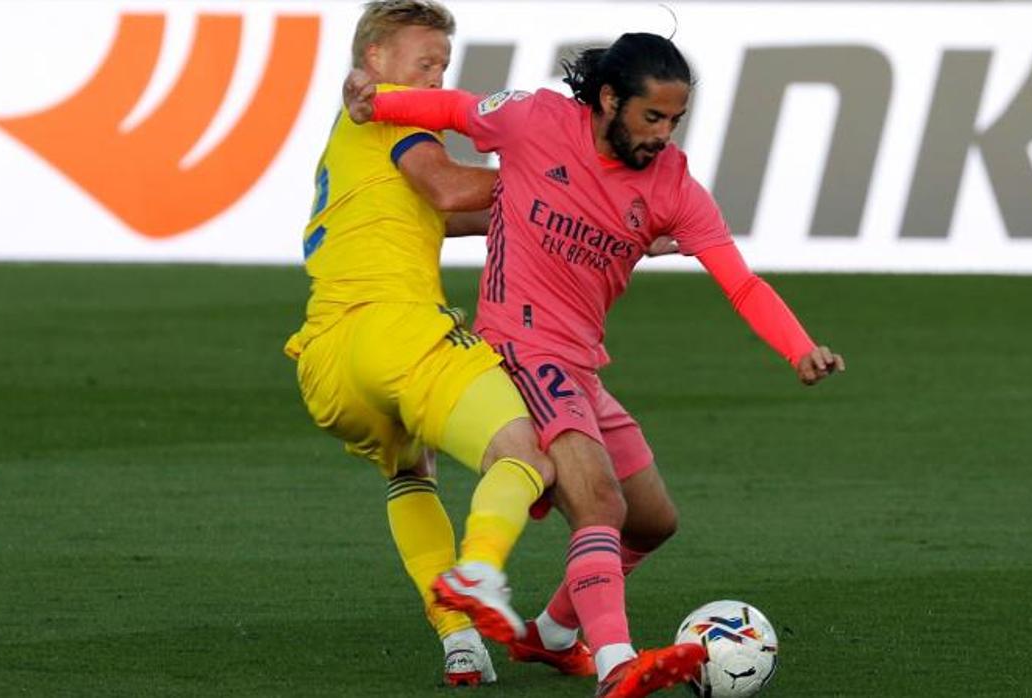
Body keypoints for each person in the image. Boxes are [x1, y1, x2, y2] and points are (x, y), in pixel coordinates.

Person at [345, 31, 845, 698]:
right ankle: (616, 663)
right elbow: (458, 110)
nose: (663, 135)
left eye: (675, 120)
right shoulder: (535, 121)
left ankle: (552, 635)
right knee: (600, 501)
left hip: (578, 364)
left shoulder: (673, 187)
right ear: (609, 99)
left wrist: (799, 347)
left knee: (654, 522)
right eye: (652, 117)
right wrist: (375, 104)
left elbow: (740, 281)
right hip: (516, 344)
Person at [282, 0, 557, 687]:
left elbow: (452, 210)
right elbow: (449, 185)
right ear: (373, 60)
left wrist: (591, 225)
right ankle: (480, 571)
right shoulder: (382, 109)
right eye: (423, 62)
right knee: (526, 452)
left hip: (327, 360)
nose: (435, 78)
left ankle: (458, 639)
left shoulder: (352, 138)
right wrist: (576, 193)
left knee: (411, 472)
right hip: (396, 332)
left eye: (442, 65)